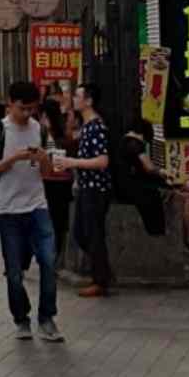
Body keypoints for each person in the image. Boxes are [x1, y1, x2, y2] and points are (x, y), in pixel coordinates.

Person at [0, 80, 64, 341]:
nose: (28, 113)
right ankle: (21, 318)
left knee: (48, 261)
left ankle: (47, 318)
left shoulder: (41, 131)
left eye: (32, 108)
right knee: (14, 271)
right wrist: (14, 158)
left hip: (37, 206)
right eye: (23, 108)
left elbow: (49, 172)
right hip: (9, 210)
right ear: (11, 103)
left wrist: (43, 159)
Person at [114, 118, 189, 255]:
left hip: (124, 188)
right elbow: (149, 168)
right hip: (135, 190)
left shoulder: (123, 142)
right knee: (181, 198)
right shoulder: (134, 144)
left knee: (178, 196)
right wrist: (163, 172)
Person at [56, 83, 114, 298]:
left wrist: (74, 162)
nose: (75, 99)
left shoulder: (96, 127)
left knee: (92, 233)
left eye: (78, 96)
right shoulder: (87, 126)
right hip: (86, 187)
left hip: (96, 189)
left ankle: (101, 279)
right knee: (82, 233)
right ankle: (102, 271)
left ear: (89, 101)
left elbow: (102, 161)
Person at [40, 98, 75, 250]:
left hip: (53, 181)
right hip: (57, 182)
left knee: (55, 223)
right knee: (57, 223)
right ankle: (53, 258)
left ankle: (53, 258)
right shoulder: (61, 134)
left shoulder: (56, 135)